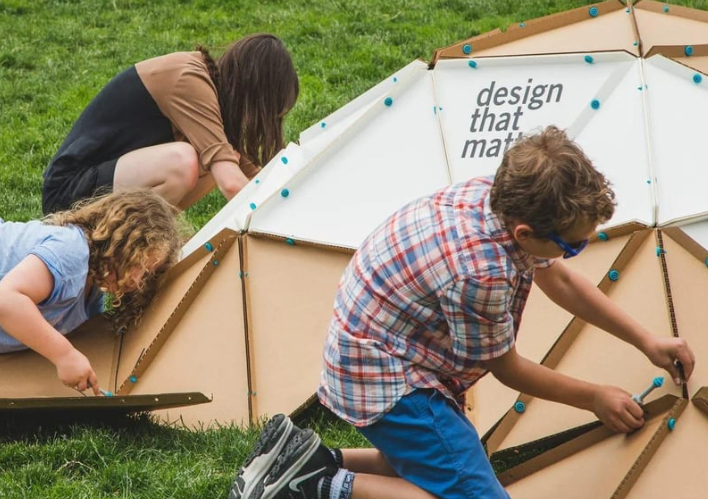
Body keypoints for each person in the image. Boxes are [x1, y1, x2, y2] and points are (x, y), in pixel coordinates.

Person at [227, 126, 696, 499]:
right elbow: (508, 369)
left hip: (382, 348)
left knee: (433, 462)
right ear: (525, 233)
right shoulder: (481, 272)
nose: (577, 252)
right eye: (573, 245)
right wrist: (594, 396)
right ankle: (315, 486)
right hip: (386, 377)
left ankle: (304, 458)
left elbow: (559, 279)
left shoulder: (495, 196)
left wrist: (646, 340)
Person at [42, 33, 299, 215]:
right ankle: (135, 246)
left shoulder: (210, 93)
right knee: (186, 161)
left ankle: (148, 240)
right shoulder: (189, 79)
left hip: (102, 188)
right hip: (69, 195)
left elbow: (252, 177)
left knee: (222, 157)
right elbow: (232, 183)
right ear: (255, 94)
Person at [0, 189, 182, 395]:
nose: (138, 280)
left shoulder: (91, 297)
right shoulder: (72, 252)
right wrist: (65, 355)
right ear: (120, 243)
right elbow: (7, 300)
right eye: (139, 264)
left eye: (148, 275)